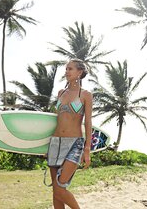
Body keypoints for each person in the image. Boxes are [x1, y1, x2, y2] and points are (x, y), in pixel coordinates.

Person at [47, 58, 92, 209]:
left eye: (70, 69)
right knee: (56, 192)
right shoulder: (61, 92)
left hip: (75, 144)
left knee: (60, 188)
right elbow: (56, 120)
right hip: (55, 143)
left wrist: (87, 149)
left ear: (80, 72)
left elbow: (88, 122)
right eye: (66, 69)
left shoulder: (85, 95)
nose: (66, 72)